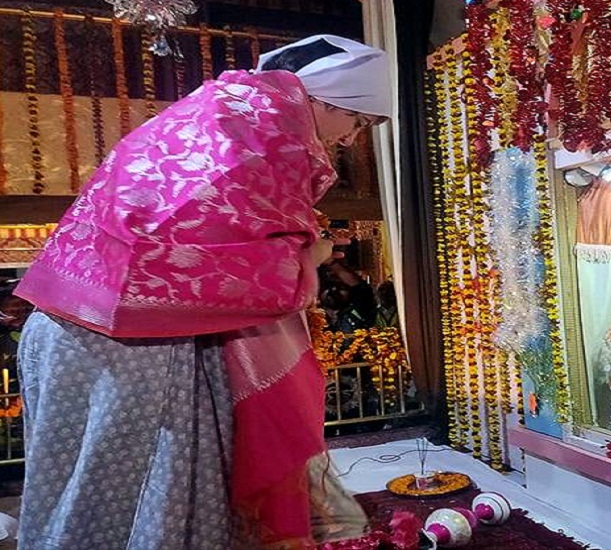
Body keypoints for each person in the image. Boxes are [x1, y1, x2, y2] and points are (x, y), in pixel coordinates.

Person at [14, 35, 391, 549]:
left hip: (63, 333)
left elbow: (179, 237)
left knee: (71, 496)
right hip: (131, 358)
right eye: (358, 122)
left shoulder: (212, 114)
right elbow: (262, 279)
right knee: (137, 505)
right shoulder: (268, 141)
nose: (349, 140)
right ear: (323, 102)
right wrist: (315, 255)